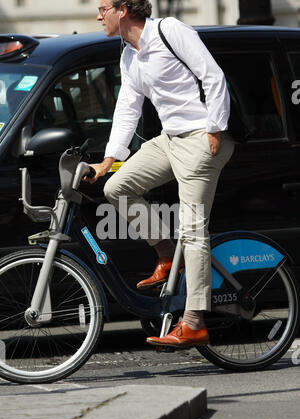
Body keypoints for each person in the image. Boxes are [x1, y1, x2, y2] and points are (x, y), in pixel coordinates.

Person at [86, 0, 235, 348]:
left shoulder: (170, 31)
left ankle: (195, 322)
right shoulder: (129, 54)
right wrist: (108, 161)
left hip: (201, 139)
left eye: (103, 7)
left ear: (123, 10)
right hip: (169, 140)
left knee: (193, 229)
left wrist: (214, 129)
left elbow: (212, 76)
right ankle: (168, 254)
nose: (98, 16)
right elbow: (127, 109)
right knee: (118, 188)